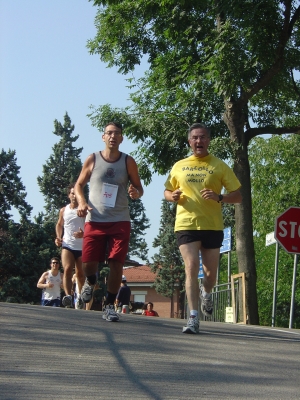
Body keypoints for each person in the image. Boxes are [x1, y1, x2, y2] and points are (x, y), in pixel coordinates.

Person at [164, 123, 242, 334]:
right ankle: (193, 317)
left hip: (212, 225)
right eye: (195, 138)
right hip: (186, 224)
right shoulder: (179, 165)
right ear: (189, 141)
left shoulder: (219, 165)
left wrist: (220, 197)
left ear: (209, 140)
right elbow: (167, 191)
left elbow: (238, 195)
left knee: (210, 276)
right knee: (191, 267)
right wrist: (173, 197)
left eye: (203, 137)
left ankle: (206, 291)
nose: (199, 141)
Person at [74, 121, 143, 322]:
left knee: (116, 263)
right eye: (109, 133)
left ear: (122, 138)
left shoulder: (128, 161)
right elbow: (79, 184)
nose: (113, 136)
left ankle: (109, 305)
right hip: (94, 219)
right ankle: (90, 280)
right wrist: (81, 201)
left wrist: (135, 193)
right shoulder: (92, 159)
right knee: (88, 264)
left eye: (117, 133)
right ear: (103, 137)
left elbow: (139, 188)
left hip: (120, 220)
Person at [55, 183, 85, 308]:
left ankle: (81, 297)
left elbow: (92, 226)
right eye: (72, 193)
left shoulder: (84, 210)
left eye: (76, 193)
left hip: (82, 246)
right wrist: (58, 237)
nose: (74, 196)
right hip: (68, 244)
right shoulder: (64, 210)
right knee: (67, 269)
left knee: (80, 273)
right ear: (69, 195)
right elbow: (59, 224)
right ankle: (68, 296)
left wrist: (84, 234)